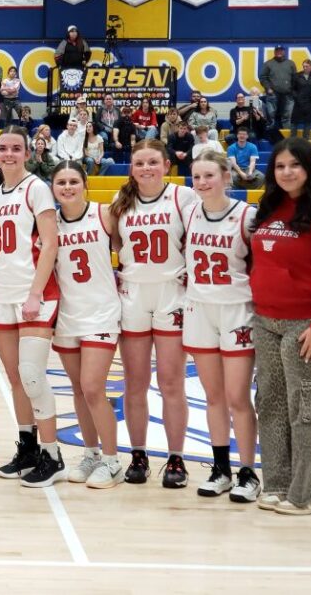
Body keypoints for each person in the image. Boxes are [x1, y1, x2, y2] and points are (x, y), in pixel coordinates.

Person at [110, 139, 197, 488]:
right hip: (133, 295)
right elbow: (116, 246)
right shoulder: (121, 201)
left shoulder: (183, 197)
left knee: (171, 382)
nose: (146, 168)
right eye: (140, 163)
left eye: (152, 162)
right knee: (135, 383)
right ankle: (138, 454)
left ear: (166, 165)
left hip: (171, 294)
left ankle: (176, 458)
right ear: (131, 168)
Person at [249, 137, 311, 515]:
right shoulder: (269, 207)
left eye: (295, 165)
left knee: (305, 407)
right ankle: (277, 483)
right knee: (270, 403)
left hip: (305, 325)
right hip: (265, 320)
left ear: (309, 168)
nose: (287, 172)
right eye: (280, 166)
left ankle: (309, 493)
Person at [183, 151, 260, 503]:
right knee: (212, 396)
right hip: (200, 309)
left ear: (226, 177)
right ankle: (221, 469)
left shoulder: (247, 216)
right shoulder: (189, 211)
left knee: (237, 398)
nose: (202, 182)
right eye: (196, 176)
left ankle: (248, 472)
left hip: (236, 311)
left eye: (209, 175)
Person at [0, 127, 63, 486]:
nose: (9, 154)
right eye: (3, 148)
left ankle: (53, 455)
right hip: (2, 293)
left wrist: (34, 293)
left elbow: (50, 243)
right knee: (16, 377)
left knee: (32, 375)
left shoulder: (36, 188)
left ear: (28, 153)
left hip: (35, 293)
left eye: (16, 148)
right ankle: (28, 448)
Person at [51, 161, 124, 488]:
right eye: (61, 182)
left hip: (101, 312)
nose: (67, 187)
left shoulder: (104, 214)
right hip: (68, 315)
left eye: (73, 181)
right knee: (79, 390)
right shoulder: (50, 223)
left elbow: (124, 251)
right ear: (53, 188)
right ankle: (91, 454)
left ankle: (112, 461)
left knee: (93, 387)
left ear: (85, 184)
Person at [259, 45, 296, 131]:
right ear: (274, 52)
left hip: (288, 94)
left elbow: (295, 78)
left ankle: (287, 134)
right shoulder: (268, 64)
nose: (279, 52)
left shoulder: (291, 63)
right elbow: (263, 77)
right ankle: (270, 134)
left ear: (284, 51)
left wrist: (292, 90)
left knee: (287, 116)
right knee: (271, 116)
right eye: (277, 50)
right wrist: (268, 88)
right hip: (273, 94)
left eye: (280, 50)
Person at [291, 60, 311, 141]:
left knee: (308, 123)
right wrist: (297, 97)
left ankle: (305, 142)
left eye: (306, 66)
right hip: (298, 103)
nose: (305, 68)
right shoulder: (297, 76)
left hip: (310, 103)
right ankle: (292, 142)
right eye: (303, 66)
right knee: (294, 123)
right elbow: (292, 89)